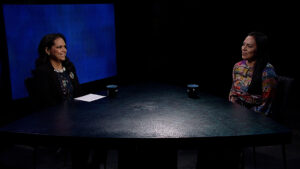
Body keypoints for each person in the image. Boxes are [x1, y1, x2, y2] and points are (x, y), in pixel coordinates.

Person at [229, 32, 277, 115]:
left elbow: (266, 106)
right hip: (237, 113)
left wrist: (246, 116)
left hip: (256, 117)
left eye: (249, 46)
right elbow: (233, 92)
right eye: (243, 45)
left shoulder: (267, 71)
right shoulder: (238, 66)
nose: (244, 48)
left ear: (259, 49)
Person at [32, 33, 81, 109]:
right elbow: (47, 102)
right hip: (55, 116)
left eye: (65, 47)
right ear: (47, 50)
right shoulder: (42, 72)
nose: (64, 50)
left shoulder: (69, 67)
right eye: (59, 47)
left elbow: (78, 92)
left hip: (75, 111)